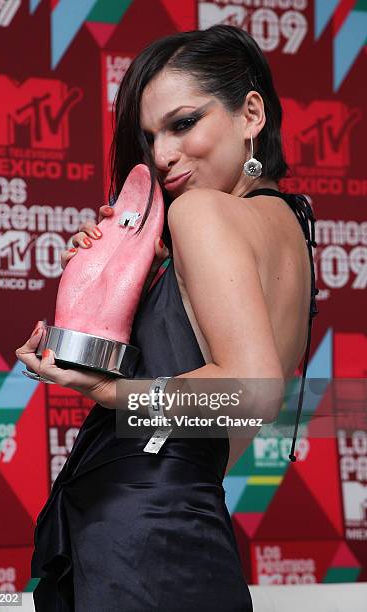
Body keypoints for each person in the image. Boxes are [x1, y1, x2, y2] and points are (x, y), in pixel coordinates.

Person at [16, 24, 318, 611]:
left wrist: (110, 390)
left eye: (183, 124)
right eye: (149, 136)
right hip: (179, 520)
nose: (160, 156)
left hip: (140, 537)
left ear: (251, 112)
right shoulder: (291, 228)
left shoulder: (201, 212)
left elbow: (252, 394)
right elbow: (216, 427)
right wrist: (131, 276)